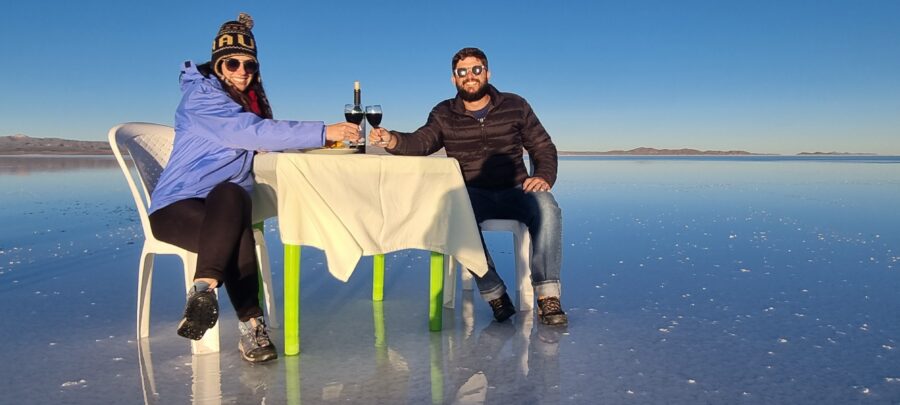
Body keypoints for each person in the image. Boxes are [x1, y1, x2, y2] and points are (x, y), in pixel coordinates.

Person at [148, 13, 361, 362]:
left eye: (249, 65)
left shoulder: (246, 106)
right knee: (237, 232)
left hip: (222, 204)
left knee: (232, 195)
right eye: (232, 63)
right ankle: (251, 326)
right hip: (176, 207)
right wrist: (324, 130)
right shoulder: (202, 98)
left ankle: (203, 290)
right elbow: (254, 132)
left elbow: (262, 136)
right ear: (218, 65)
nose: (242, 71)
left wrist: (319, 144)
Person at [369, 47, 567, 325]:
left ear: (487, 73)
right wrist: (391, 139)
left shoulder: (515, 105)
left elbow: (542, 146)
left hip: (515, 189)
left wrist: (544, 176)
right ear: (454, 79)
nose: (470, 76)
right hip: (471, 193)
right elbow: (421, 142)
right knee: (454, 215)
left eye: (476, 70)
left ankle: (548, 296)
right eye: (462, 72)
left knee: (547, 207)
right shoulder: (443, 113)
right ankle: (494, 291)